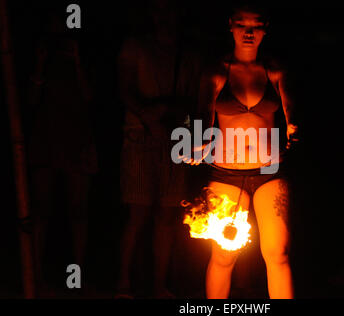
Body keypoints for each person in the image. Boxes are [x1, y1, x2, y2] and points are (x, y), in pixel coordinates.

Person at [183, 3, 299, 299]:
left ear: (265, 29)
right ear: (231, 26)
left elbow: (292, 113)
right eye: (242, 24)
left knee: (279, 254)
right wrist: (199, 140)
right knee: (224, 256)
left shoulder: (275, 71)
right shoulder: (217, 71)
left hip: (269, 172)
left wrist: (294, 129)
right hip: (225, 174)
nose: (249, 32)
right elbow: (202, 113)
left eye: (255, 25)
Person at [117, 0, 200, 298]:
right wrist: (147, 115)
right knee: (138, 212)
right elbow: (124, 88)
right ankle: (124, 284)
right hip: (139, 136)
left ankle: (158, 286)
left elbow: (194, 99)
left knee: (167, 215)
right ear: (151, 13)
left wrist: (185, 129)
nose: (164, 16)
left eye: (170, 9)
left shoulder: (188, 55)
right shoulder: (135, 46)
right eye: (159, 9)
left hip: (175, 138)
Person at [27, 13, 97, 297]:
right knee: (41, 209)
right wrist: (40, 64)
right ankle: (35, 274)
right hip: (45, 139)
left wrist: (77, 61)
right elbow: (30, 101)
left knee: (78, 211)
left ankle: (76, 276)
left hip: (77, 140)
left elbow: (90, 98)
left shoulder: (82, 53)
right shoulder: (40, 53)